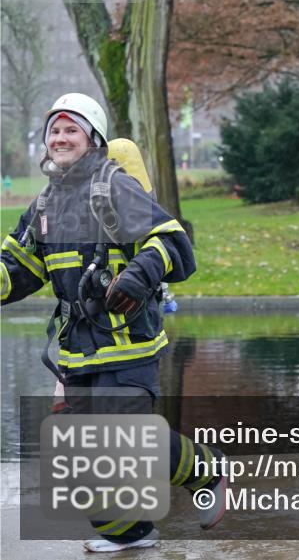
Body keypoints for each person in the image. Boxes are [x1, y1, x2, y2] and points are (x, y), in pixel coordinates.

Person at [0, 93, 226, 552]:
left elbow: (174, 242)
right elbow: (14, 272)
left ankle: (207, 468)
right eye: (54, 131)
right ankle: (132, 533)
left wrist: (138, 277)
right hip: (77, 354)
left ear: (93, 140)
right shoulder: (43, 206)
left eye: (71, 130)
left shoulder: (113, 186)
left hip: (128, 347)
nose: (60, 138)